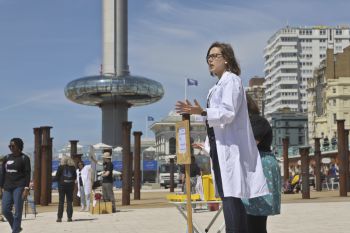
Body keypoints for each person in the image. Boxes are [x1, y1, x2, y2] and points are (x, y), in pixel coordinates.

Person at [175, 42, 269, 233]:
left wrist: (202, 111)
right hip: (220, 149)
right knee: (228, 198)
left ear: (226, 59)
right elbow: (213, 121)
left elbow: (228, 113)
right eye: (208, 57)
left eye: (214, 55)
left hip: (230, 150)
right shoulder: (215, 87)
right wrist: (197, 116)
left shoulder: (232, 81)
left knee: (232, 198)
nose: (210, 60)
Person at [242, 94, 281, 233]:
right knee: (249, 217)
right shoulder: (244, 122)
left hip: (260, 165)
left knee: (256, 217)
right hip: (251, 165)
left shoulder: (257, 121)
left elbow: (251, 144)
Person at [0, 138, 31, 233]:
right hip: (7, 187)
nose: (11, 147)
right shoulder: (7, 157)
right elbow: (2, 173)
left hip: (19, 187)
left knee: (18, 211)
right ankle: (16, 227)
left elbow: (27, 174)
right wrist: (0, 186)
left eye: (13, 146)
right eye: (9, 146)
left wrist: (26, 189)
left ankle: (15, 230)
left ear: (19, 147)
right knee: (5, 210)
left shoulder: (24, 158)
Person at [54, 155, 77, 222]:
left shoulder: (60, 167)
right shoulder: (73, 167)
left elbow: (57, 177)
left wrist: (57, 180)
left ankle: (59, 218)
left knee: (61, 201)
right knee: (69, 201)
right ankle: (69, 217)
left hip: (62, 186)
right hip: (70, 186)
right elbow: (75, 177)